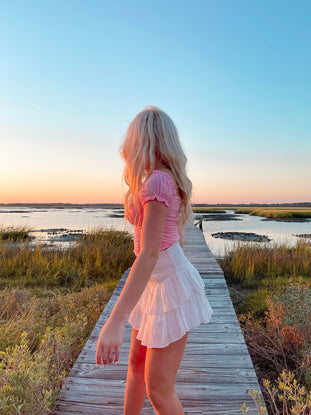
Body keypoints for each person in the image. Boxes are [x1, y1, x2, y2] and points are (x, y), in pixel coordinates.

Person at [96, 105, 214, 415]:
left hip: (167, 281)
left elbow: (149, 253)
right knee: (136, 365)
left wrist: (116, 319)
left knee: (159, 388)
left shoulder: (158, 182)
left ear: (144, 141)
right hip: (153, 285)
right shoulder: (158, 179)